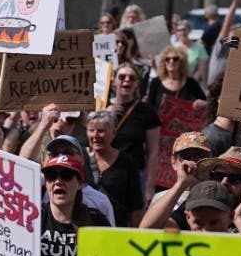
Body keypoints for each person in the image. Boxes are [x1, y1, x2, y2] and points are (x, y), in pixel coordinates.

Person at [109, 63, 160, 200]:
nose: (127, 80)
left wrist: (150, 186)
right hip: (106, 172)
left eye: (132, 78)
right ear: (114, 81)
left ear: (137, 83)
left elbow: (153, 151)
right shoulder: (102, 107)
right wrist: (106, 114)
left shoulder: (147, 111)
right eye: (122, 77)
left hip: (135, 175)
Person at [83, 113, 143, 227]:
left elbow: (135, 206)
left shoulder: (127, 163)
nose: (95, 135)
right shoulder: (80, 158)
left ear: (113, 133)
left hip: (115, 230)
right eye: (91, 130)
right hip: (85, 228)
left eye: (101, 131)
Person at [146, 44, 206, 113]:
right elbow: (149, 108)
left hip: (185, 123)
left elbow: (204, 103)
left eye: (175, 59)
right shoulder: (156, 82)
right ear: (164, 62)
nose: (171, 61)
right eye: (167, 59)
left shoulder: (191, 83)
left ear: (181, 62)